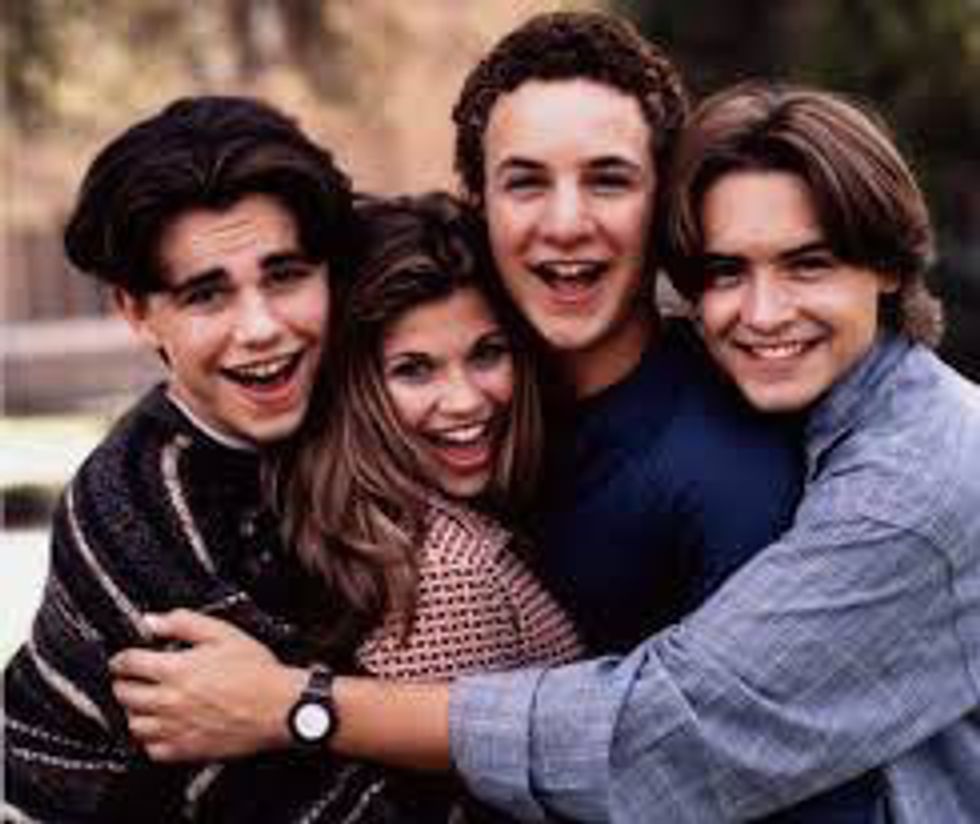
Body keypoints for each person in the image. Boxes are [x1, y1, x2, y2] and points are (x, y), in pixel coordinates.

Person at [109, 13, 878, 823]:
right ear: (481, 205)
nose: (566, 221)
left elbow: (744, 759)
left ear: (663, 203)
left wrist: (298, 707)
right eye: (526, 182)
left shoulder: (727, 468)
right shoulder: (476, 422)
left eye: (609, 179)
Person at [1, 95, 396, 823]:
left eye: (285, 275)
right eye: (207, 295)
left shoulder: (367, 422)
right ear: (136, 312)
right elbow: (301, 800)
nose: (261, 328)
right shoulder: (135, 509)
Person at [270, 191, 583, 819]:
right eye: (414, 370)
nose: (465, 401)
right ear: (354, 387)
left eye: (487, 353)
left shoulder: (397, 521)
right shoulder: (445, 577)